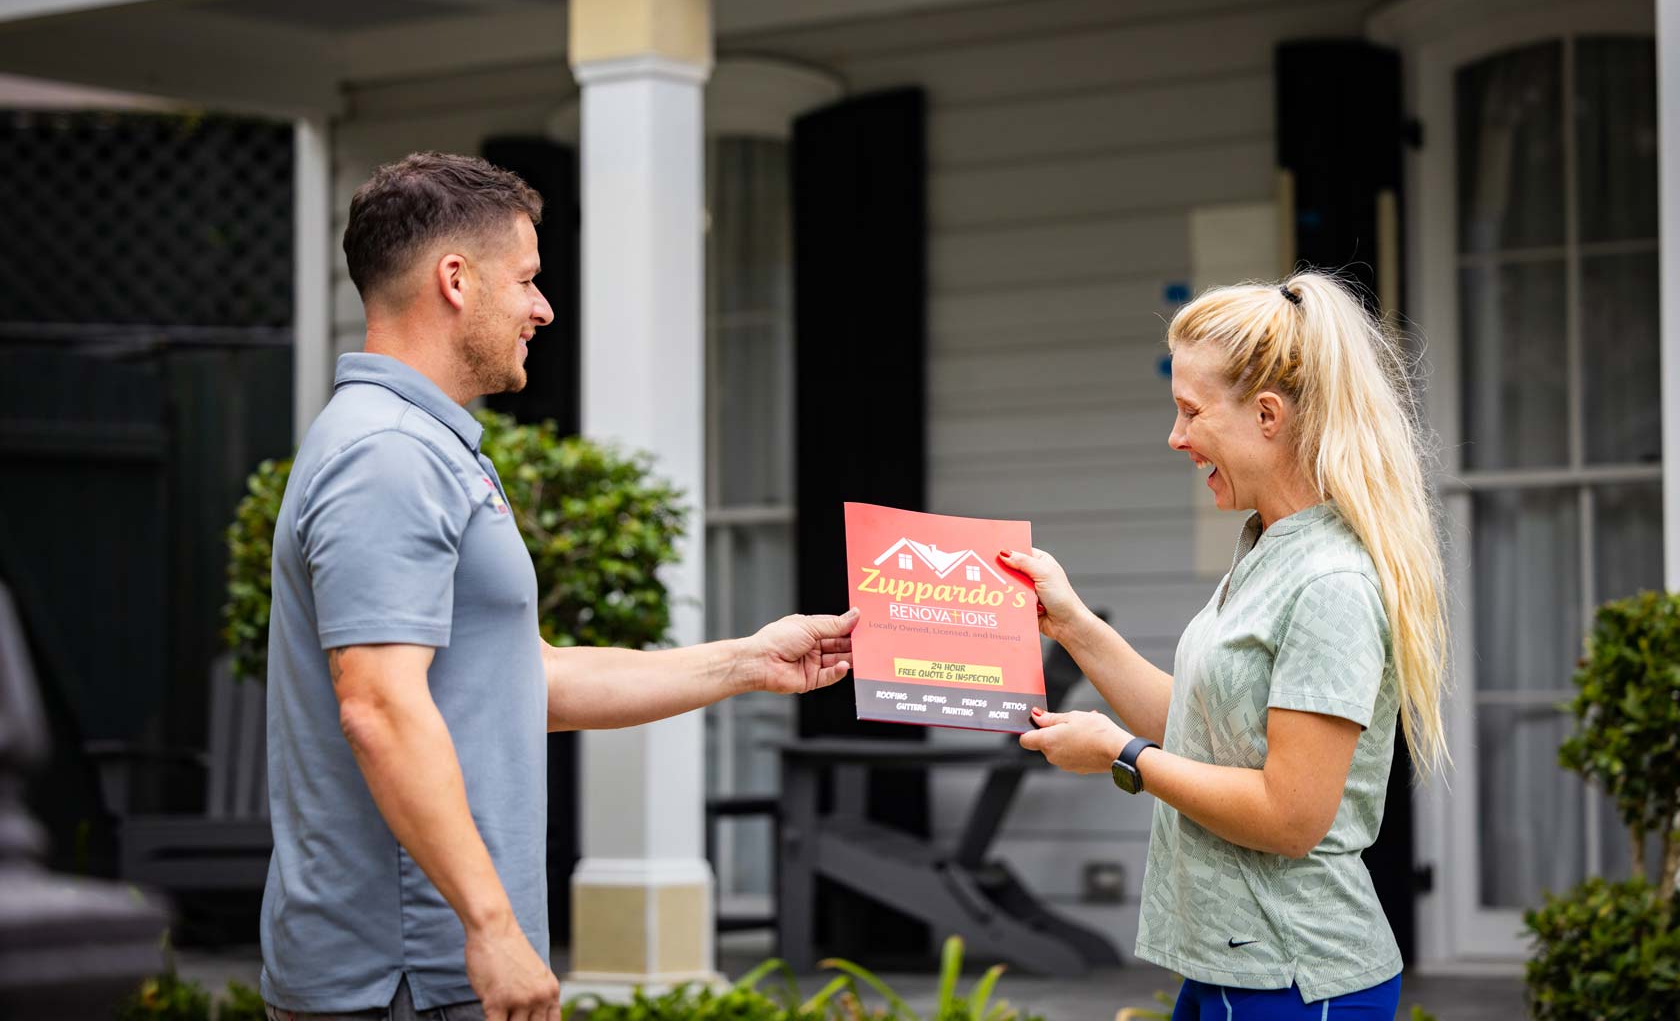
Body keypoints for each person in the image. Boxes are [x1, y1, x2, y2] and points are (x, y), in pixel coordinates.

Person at [259, 152, 857, 1021]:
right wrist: (491, 928)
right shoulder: (386, 454)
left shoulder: (421, 445)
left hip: (427, 968)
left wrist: (748, 661)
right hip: (403, 975)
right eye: (529, 280)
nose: (543, 308)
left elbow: (520, 681)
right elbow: (379, 709)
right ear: (455, 280)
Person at [1003, 272, 1448, 1020]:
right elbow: (1210, 731)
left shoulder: (1329, 581)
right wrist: (1072, 624)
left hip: (1298, 976)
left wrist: (1122, 755)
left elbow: (1290, 814)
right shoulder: (1268, 546)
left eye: (1189, 411)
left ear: (1268, 415)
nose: (1176, 437)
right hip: (1234, 962)